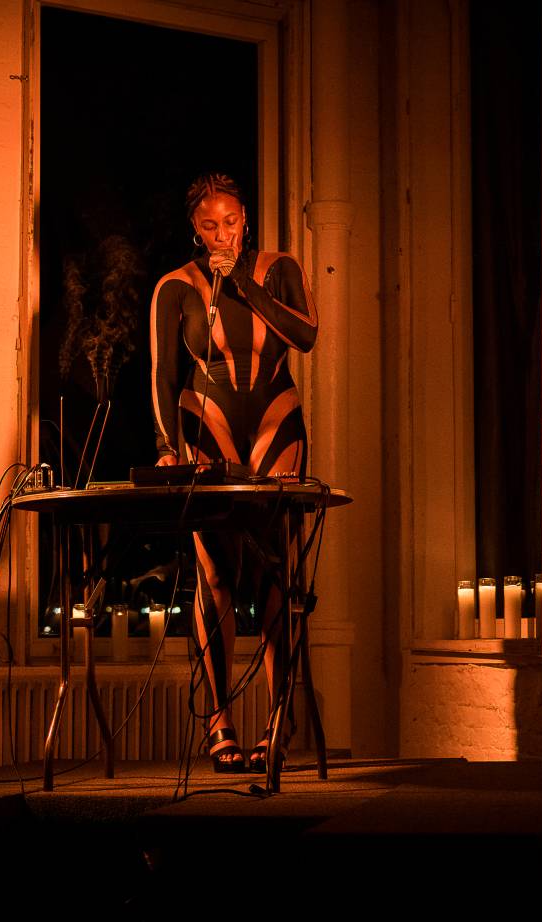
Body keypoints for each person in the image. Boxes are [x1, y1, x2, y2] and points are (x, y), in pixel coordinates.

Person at [149, 173, 318, 773]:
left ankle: (279, 719)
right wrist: (168, 445)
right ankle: (220, 724)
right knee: (216, 571)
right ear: (194, 229)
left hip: (275, 418)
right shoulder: (176, 285)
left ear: (246, 219)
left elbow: (306, 334)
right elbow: (165, 376)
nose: (221, 232)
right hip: (207, 423)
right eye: (209, 224)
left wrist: (242, 283)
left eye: (231, 221)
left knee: (274, 568)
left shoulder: (279, 267)